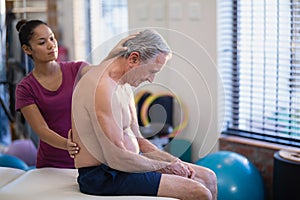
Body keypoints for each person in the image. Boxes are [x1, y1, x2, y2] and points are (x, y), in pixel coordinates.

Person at [71, 29, 217, 200]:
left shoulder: (123, 84)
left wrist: (172, 161)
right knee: (200, 193)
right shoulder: (102, 89)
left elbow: (139, 140)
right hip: (104, 175)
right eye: (152, 71)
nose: (151, 80)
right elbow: (116, 158)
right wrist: (164, 167)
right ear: (133, 59)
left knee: (209, 177)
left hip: (128, 164)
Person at [14, 19, 136, 168]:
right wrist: (67, 144)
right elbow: (41, 130)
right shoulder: (25, 88)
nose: (51, 45)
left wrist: (114, 54)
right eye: (42, 42)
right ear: (27, 49)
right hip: (52, 165)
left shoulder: (76, 69)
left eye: (52, 38)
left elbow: (100, 72)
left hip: (87, 160)